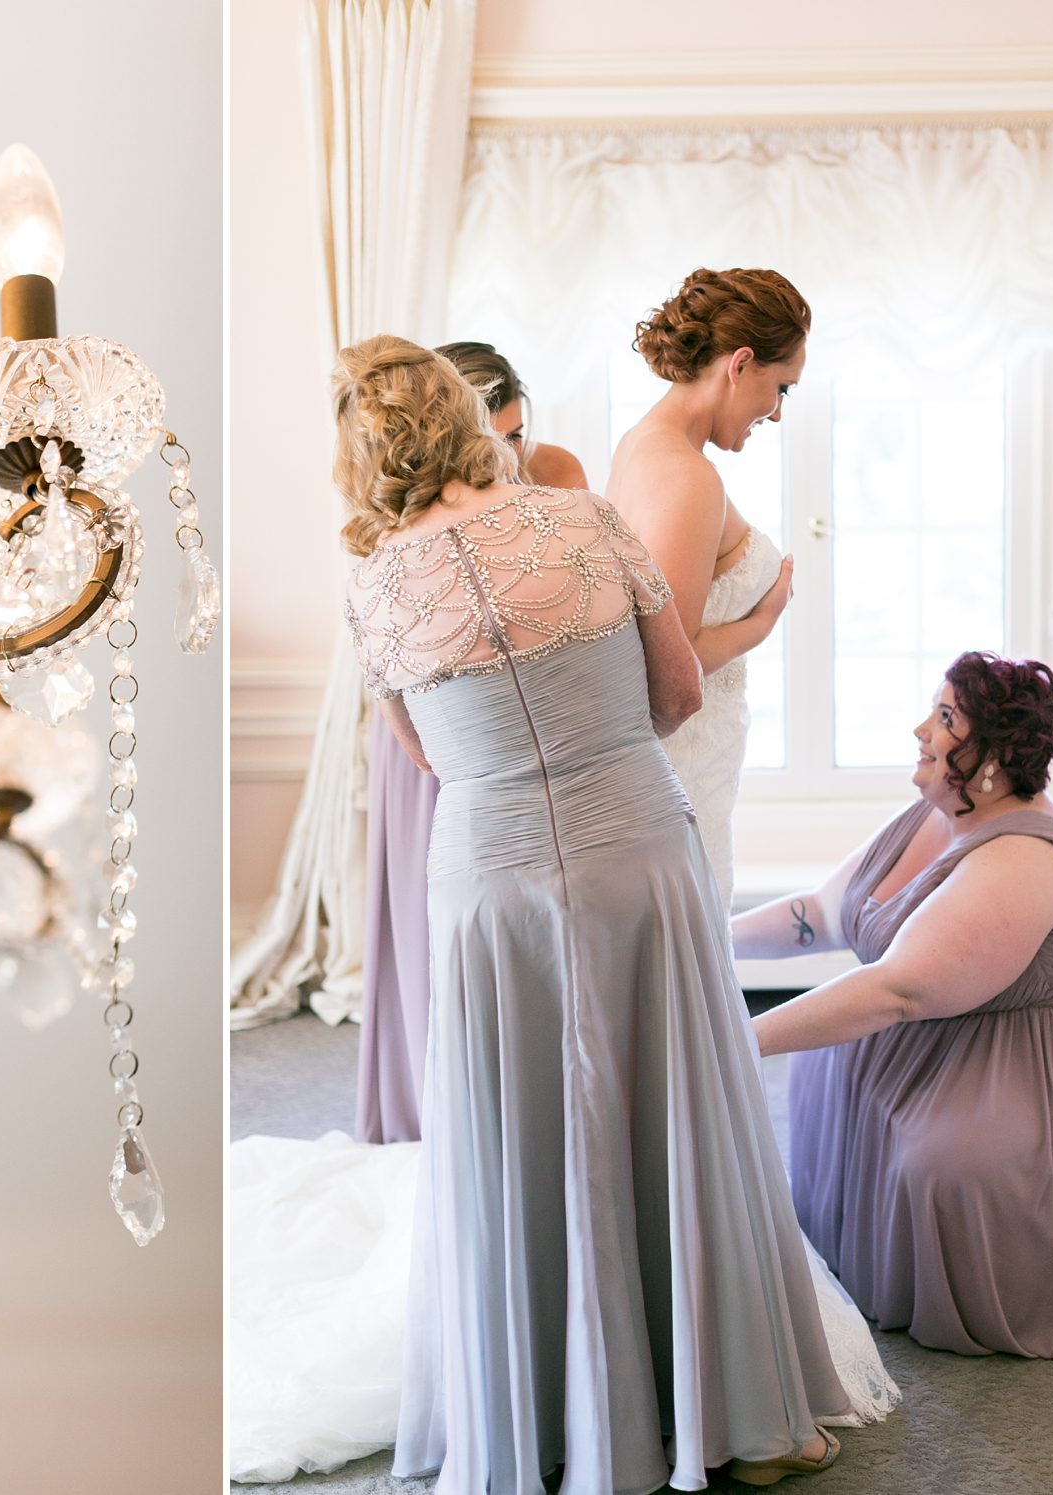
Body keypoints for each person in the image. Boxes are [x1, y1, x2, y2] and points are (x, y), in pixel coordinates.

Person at [339, 334, 850, 1493]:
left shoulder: (373, 586)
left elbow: (423, 758)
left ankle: (542, 1425)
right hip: (630, 835)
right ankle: (740, 1419)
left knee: (516, 1124)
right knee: (676, 1101)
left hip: (489, 872)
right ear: (469, 419)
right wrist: (593, 751)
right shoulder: (583, 522)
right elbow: (675, 692)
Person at [736, 652, 1053, 1360]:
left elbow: (898, 989)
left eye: (943, 719)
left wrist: (737, 1037)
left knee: (946, 1167)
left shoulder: (1026, 858)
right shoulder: (938, 810)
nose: (920, 730)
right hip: (949, 1017)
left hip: (1048, 1051)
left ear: (991, 759)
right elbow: (820, 911)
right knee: (826, 1063)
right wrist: (711, 941)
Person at [357, 341, 587, 1145]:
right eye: (493, 438)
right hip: (434, 718)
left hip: (532, 711)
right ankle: (447, 1106)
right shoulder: (400, 508)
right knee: (440, 913)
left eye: (517, 433)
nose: (508, 456)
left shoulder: (557, 472)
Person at [605, 268, 803, 905]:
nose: (777, 412)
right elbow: (670, 662)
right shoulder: (687, 476)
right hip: (682, 770)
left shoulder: (640, 444)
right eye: (780, 388)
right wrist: (760, 623)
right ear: (740, 364)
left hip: (691, 764)